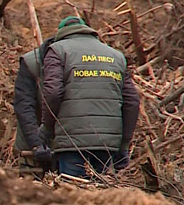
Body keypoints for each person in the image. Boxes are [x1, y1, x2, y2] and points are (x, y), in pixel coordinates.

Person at [38, 16, 140, 178]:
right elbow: (132, 102)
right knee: (101, 195)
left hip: (71, 142)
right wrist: (124, 143)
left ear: (61, 34)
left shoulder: (57, 50)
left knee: (74, 194)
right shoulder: (116, 56)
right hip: (107, 143)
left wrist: (47, 128)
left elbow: (52, 92)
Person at [13, 36, 56, 176]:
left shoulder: (78, 62)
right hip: (31, 142)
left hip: (65, 145)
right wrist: (36, 143)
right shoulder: (31, 63)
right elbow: (24, 106)